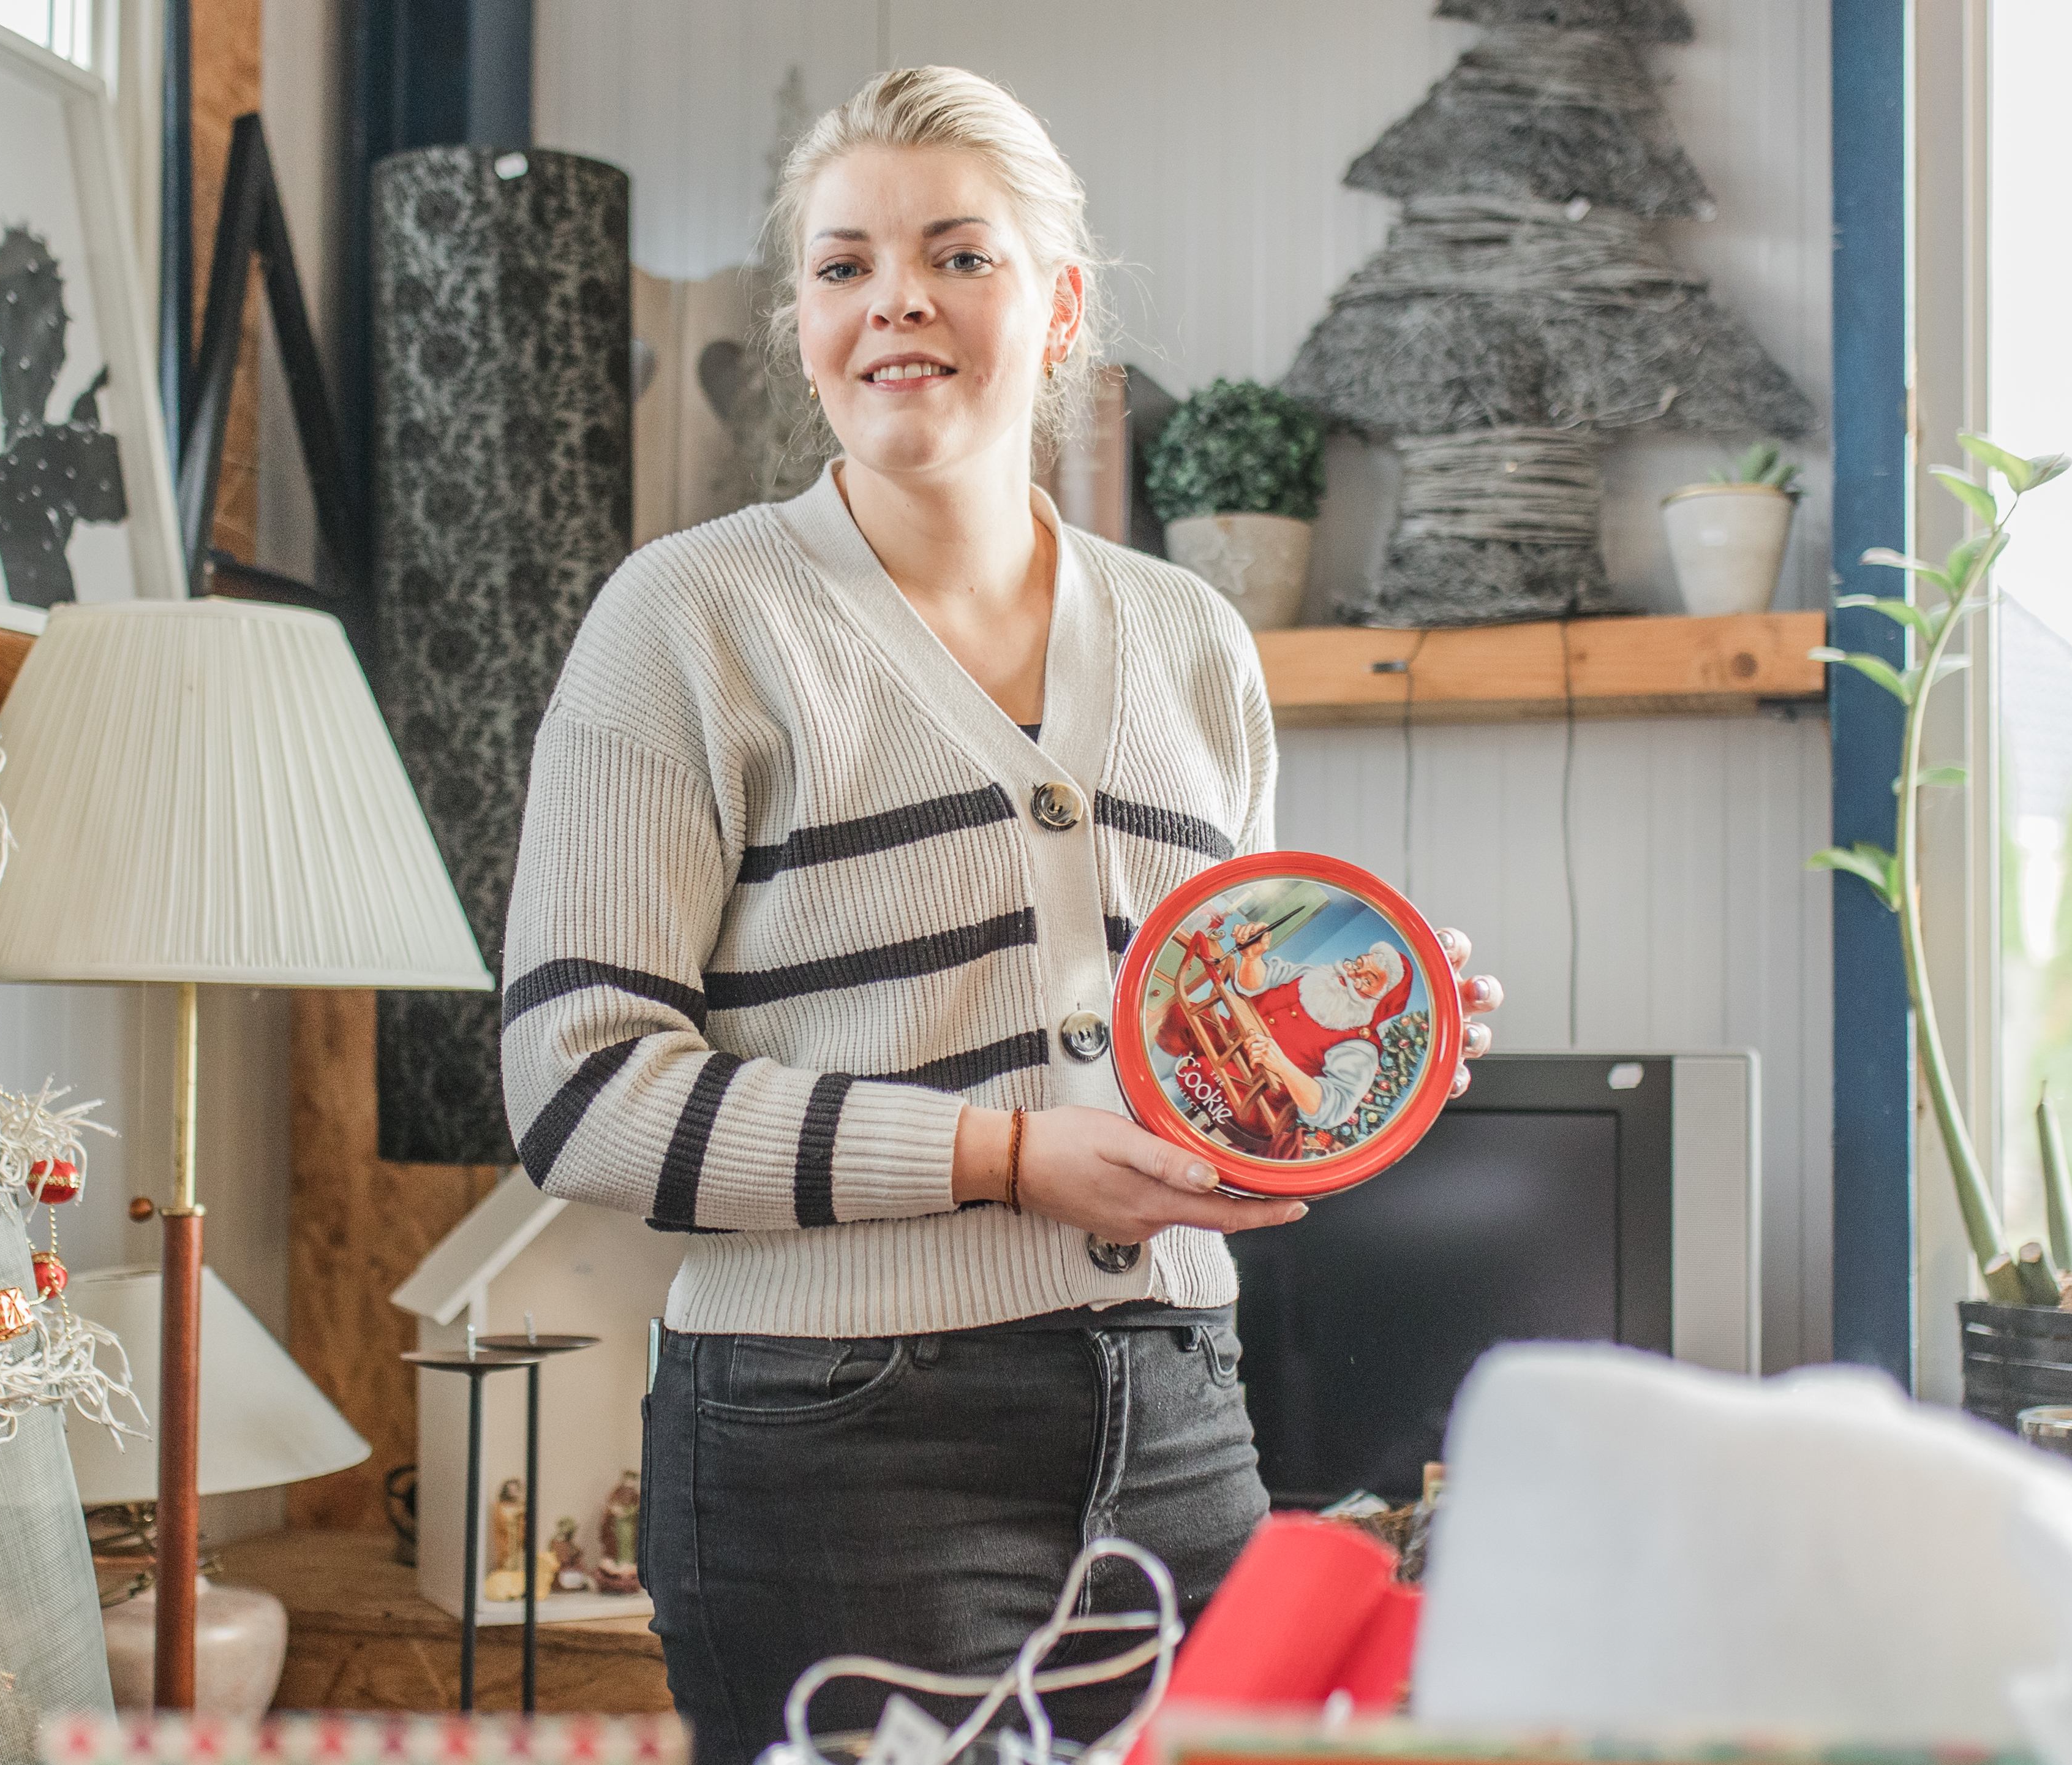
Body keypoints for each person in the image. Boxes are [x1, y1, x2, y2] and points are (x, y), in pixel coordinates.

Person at [499, 66, 1501, 1764]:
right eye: (842, 264)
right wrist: (1004, 1158)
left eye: (957, 253)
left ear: (1062, 304)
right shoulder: (690, 621)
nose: (895, 296)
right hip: (837, 1445)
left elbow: (1204, 1050)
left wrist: (1363, 1052)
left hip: (1185, 1411)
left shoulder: (1195, 645)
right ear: (807, 322)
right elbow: (577, 1097)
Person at [1232, 934, 1414, 1135]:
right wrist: (1251, 959)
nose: (1352, 975)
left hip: (1250, 1095)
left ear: (1379, 1000)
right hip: (1223, 1039)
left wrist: (1282, 1066)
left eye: (1368, 980)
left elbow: (1333, 1109)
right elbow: (1255, 983)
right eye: (1357, 964)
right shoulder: (1312, 977)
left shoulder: (1361, 1047)